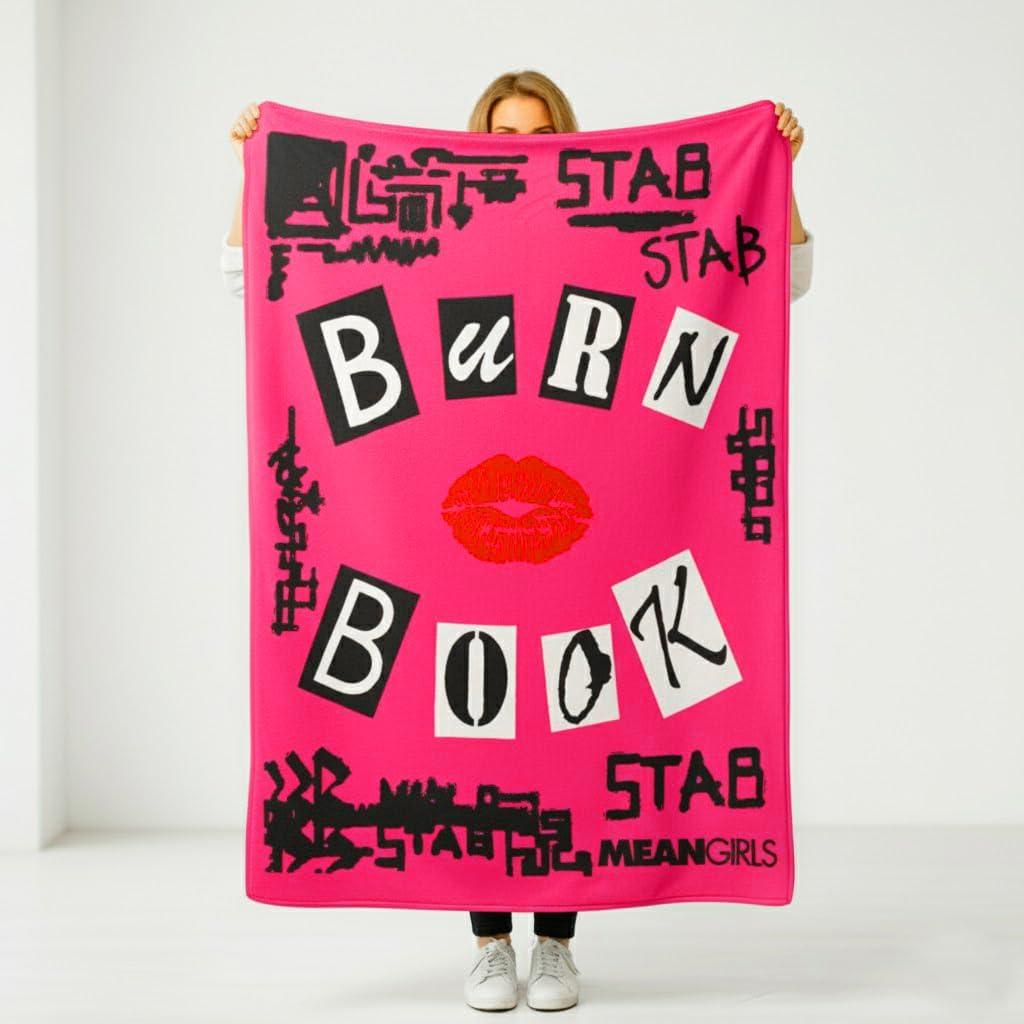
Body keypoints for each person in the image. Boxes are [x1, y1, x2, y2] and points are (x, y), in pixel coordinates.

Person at [221, 70, 813, 1013]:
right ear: (478, 141)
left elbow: (775, 279)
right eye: (504, 136)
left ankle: (559, 944)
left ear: (566, 141)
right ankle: (491, 944)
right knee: (479, 743)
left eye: (539, 136)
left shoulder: (610, 240)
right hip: (444, 546)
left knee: (574, 737)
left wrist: (778, 172)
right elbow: (262, 281)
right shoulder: (444, 245)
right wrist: (257, 169)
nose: (521, 150)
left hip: (603, 536)